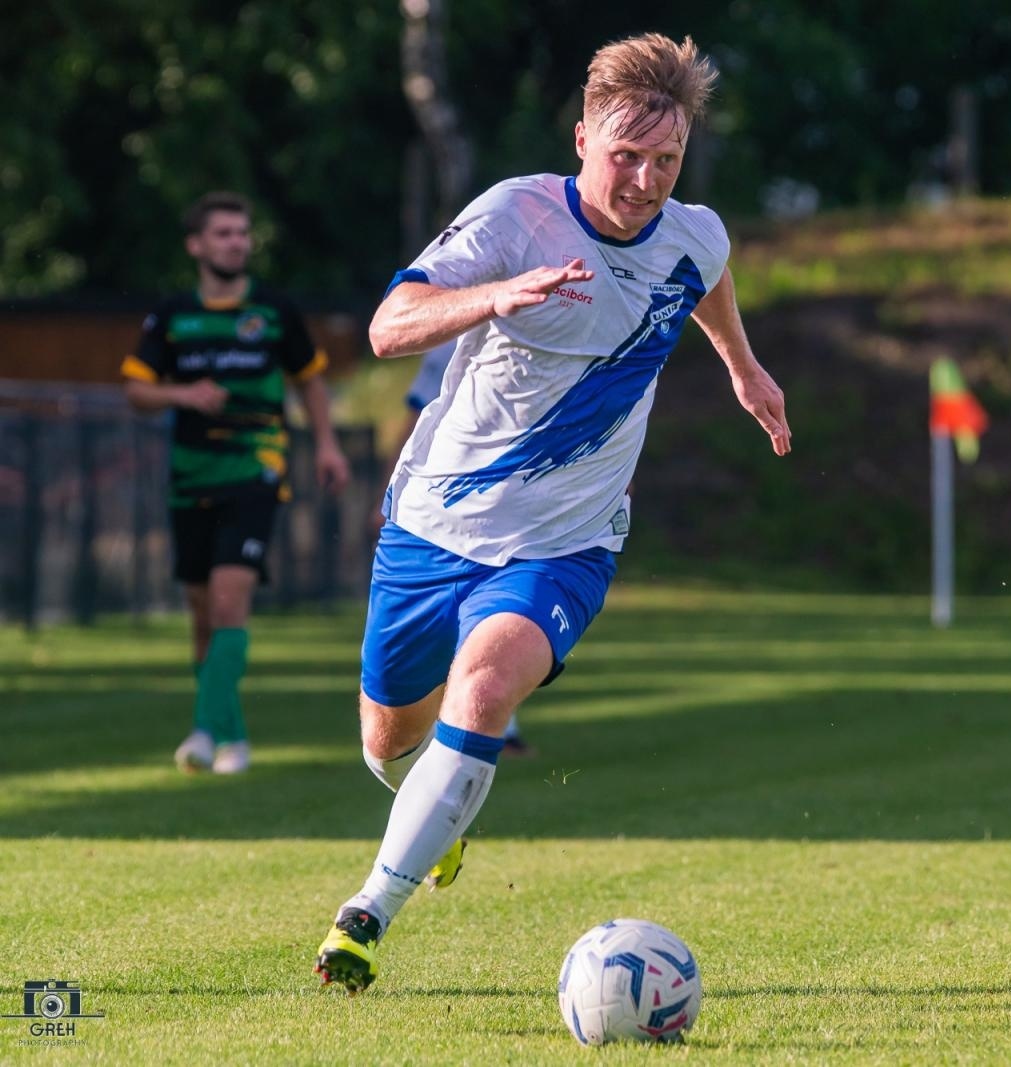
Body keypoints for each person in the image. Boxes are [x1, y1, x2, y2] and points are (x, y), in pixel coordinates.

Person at [315, 33, 791, 993]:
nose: (646, 181)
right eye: (627, 155)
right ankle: (435, 816)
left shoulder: (694, 233)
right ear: (581, 139)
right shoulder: (516, 215)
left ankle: (365, 914)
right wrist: (495, 295)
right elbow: (388, 327)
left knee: (485, 689)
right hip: (434, 523)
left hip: (566, 542)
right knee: (388, 742)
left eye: (667, 160)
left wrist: (743, 366)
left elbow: (707, 276)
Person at [124, 191, 351, 775]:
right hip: (191, 474)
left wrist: (326, 444)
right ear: (196, 245)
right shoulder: (173, 315)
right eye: (223, 233)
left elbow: (309, 380)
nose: (236, 243)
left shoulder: (274, 310)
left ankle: (218, 736)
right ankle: (221, 734)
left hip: (256, 468)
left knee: (229, 601)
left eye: (242, 233)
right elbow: (137, 390)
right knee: (202, 613)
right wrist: (184, 394)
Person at [375, 338, 534, 756]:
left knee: (495, 620)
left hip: (519, 507)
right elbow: (417, 419)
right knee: (445, 626)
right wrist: (389, 488)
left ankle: (493, 726)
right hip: (446, 508)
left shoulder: (553, 332)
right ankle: (443, 725)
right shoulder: (450, 342)